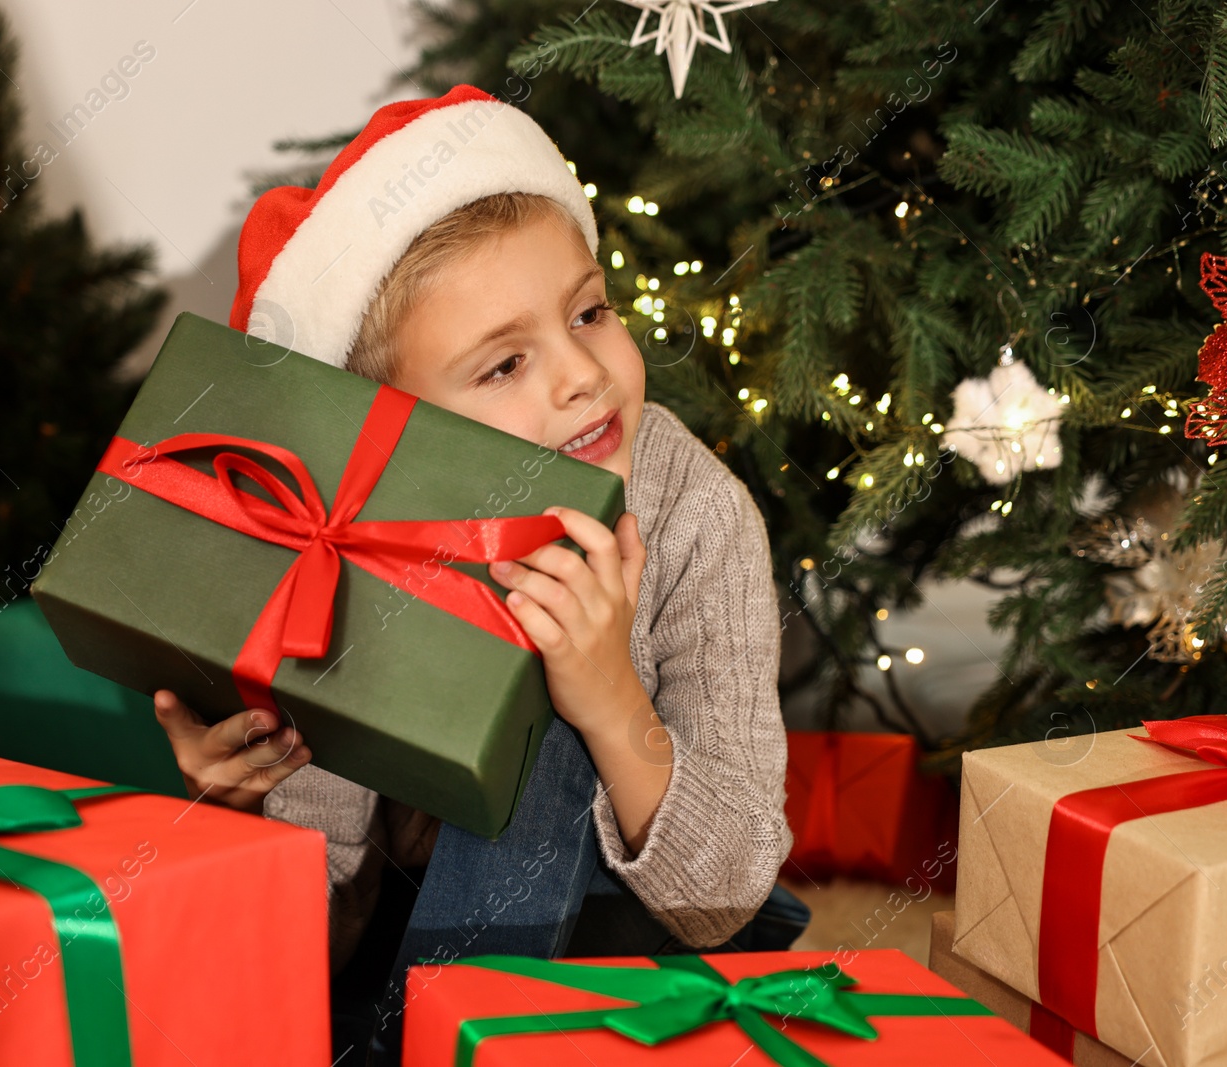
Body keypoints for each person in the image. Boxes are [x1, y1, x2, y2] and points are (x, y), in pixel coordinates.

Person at [151, 84, 804, 1064]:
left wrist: (608, 695)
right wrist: (257, 809)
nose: (580, 373)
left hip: (651, 949)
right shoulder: (345, 548)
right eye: (503, 364)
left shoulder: (698, 512)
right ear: (390, 428)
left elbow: (725, 890)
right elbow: (324, 931)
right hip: (410, 947)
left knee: (549, 716)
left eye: (588, 311)